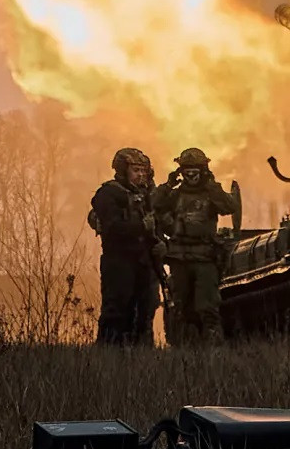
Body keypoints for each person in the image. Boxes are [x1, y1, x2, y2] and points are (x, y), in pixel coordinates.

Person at [149, 148, 240, 345]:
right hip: (179, 258)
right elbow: (152, 204)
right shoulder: (174, 195)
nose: (190, 175)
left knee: (207, 308)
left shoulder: (210, 194)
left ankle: (213, 352)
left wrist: (213, 185)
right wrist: (168, 185)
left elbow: (230, 207)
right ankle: (186, 350)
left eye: (195, 170)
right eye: (186, 170)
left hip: (205, 259)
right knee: (182, 309)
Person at [89, 147, 161, 346]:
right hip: (119, 261)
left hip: (145, 261)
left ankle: (142, 356)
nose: (141, 175)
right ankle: (110, 355)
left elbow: (160, 222)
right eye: (136, 170)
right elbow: (112, 227)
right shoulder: (109, 194)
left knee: (146, 310)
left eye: (143, 171)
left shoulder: (148, 195)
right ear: (123, 170)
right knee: (117, 311)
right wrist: (140, 226)